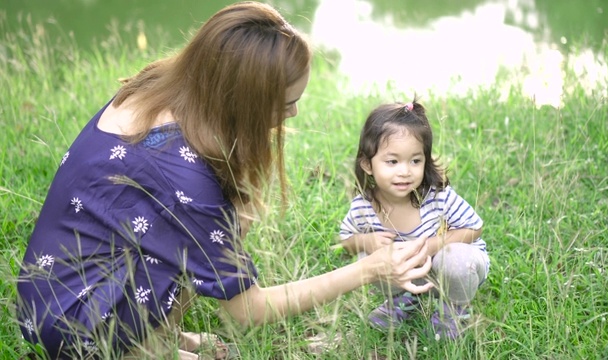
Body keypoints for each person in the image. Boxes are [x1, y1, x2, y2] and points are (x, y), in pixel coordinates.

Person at [15, 2, 434, 359]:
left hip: (48, 293)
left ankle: (157, 338)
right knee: (215, 232)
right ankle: (136, 350)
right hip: (76, 331)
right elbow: (244, 311)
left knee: (214, 229)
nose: (293, 116)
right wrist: (367, 270)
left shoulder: (158, 89)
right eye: (286, 104)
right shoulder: (184, 177)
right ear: (243, 98)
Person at [339, 99, 490, 339]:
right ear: (368, 164)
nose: (405, 171)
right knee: (366, 258)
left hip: (452, 268)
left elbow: (474, 227)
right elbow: (345, 239)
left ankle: (453, 311)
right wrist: (366, 242)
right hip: (411, 272)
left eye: (415, 161)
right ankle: (405, 301)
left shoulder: (437, 197)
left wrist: (428, 245)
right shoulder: (364, 206)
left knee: (458, 259)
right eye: (392, 161)